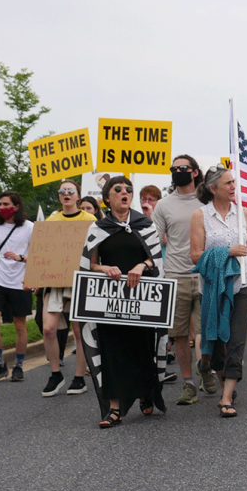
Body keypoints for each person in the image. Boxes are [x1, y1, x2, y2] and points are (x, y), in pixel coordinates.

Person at [80, 176, 165, 427]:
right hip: (109, 300)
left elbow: (156, 261)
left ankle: (145, 394)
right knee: (112, 351)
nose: (124, 193)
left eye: (128, 190)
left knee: (142, 348)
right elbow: (90, 263)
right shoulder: (98, 228)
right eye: (118, 190)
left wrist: (142, 264)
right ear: (107, 198)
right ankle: (114, 409)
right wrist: (105, 268)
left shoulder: (145, 224)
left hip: (141, 298)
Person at [190, 166, 247, 417]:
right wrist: (228, 252)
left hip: (243, 284)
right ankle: (213, 368)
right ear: (213, 189)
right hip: (213, 288)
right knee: (218, 342)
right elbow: (196, 255)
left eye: (234, 182)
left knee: (236, 341)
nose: (234, 187)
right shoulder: (200, 216)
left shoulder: (244, 213)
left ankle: (225, 397)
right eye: (228, 183)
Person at [151, 155, 209, 405]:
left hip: (205, 274)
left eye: (183, 168)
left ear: (195, 172)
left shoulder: (207, 200)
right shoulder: (163, 205)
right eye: (174, 169)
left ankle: (207, 369)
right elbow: (154, 240)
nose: (178, 172)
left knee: (207, 331)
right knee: (180, 335)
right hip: (176, 276)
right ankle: (188, 384)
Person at [40, 179, 97, 397]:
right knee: (48, 328)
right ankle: (56, 374)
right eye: (62, 191)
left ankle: (79, 377)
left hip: (81, 280)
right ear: (58, 195)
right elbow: (42, 250)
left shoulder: (89, 219)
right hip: (55, 280)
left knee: (79, 331)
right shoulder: (52, 220)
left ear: (78, 195)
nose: (66, 194)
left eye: (70, 191)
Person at [0, 191, 34, 383]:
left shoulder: (29, 227)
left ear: (17, 207)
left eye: (6, 204)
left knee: (20, 324)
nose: (3, 208)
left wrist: (21, 258)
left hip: (21, 282)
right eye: (0, 204)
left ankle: (18, 366)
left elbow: (38, 256)